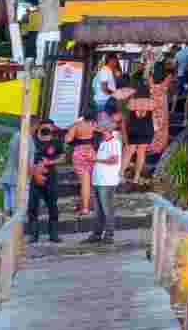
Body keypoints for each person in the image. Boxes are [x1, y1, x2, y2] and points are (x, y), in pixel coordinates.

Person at [88, 112, 123, 243]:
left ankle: (108, 235)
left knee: (107, 209)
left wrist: (96, 159)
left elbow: (114, 160)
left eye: (100, 127)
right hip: (98, 180)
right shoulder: (103, 142)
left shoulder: (114, 142)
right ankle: (97, 234)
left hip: (108, 181)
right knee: (98, 210)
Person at [27, 118, 63, 243]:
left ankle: (53, 234)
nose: (48, 130)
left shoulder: (56, 141)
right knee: (32, 206)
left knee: (52, 205)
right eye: (45, 127)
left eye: (50, 127)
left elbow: (62, 156)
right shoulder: (32, 141)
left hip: (50, 177)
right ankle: (34, 235)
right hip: (34, 177)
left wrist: (51, 162)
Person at [122, 60, 155, 183]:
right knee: (141, 153)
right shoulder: (151, 102)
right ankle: (136, 178)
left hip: (134, 128)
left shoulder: (132, 102)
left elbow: (129, 115)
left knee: (129, 151)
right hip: (147, 129)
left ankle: (121, 175)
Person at [64, 107, 99, 216]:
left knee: (85, 183)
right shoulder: (93, 124)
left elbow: (67, 139)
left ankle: (85, 208)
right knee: (90, 181)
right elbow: (104, 130)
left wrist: (73, 124)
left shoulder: (77, 125)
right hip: (91, 152)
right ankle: (90, 206)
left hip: (79, 152)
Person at [1, 119, 35, 213]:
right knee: (17, 211)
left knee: (8, 210)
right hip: (18, 178)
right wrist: (31, 174)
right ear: (33, 126)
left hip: (8, 175)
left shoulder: (15, 135)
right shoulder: (27, 138)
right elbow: (24, 159)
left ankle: (8, 222)